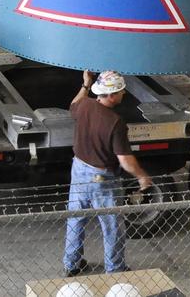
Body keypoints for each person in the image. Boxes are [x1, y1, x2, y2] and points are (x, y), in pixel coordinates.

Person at [63, 70, 153, 278]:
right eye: (121, 91)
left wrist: (86, 84)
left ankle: (72, 264)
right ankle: (115, 268)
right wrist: (141, 176)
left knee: (76, 218)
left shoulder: (84, 105)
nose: (123, 94)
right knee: (112, 225)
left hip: (78, 169)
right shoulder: (115, 122)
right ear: (111, 95)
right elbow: (125, 160)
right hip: (101, 178)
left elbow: (73, 106)